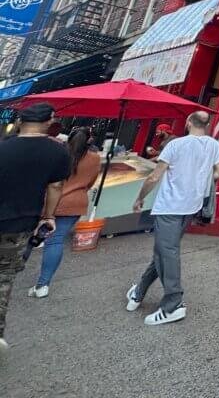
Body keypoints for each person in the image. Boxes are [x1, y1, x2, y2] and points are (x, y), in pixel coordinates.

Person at [125, 110, 219, 326]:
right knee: (164, 250)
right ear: (206, 126)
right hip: (191, 206)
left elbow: (154, 176)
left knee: (167, 252)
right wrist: (199, 176)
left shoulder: (175, 145)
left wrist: (140, 198)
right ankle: (139, 290)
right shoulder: (214, 145)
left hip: (170, 206)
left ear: (188, 122)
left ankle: (173, 303)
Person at [0, 103, 70, 350]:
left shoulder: (4, 145)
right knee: (3, 277)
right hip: (19, 223)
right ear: (50, 121)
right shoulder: (57, 152)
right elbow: (55, 186)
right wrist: (48, 216)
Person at [27, 128, 101, 298]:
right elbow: (90, 182)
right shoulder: (95, 159)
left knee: (32, 236)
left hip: (49, 200)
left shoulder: (57, 153)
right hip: (75, 202)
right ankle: (43, 285)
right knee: (55, 240)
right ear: (89, 140)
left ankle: (12, 270)